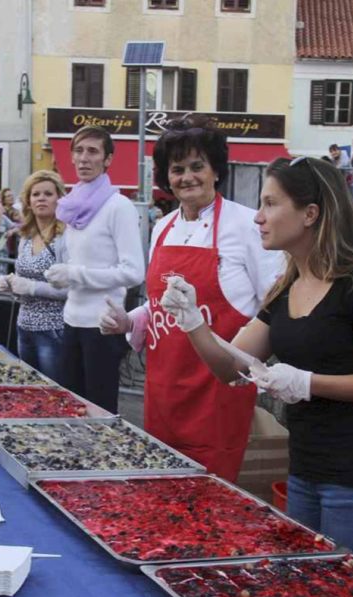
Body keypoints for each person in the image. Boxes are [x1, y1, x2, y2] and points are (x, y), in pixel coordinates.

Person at [159, 156, 353, 561]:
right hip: (304, 473)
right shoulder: (286, 286)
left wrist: (307, 383)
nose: (258, 217)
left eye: (271, 204)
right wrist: (192, 322)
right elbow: (232, 367)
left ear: (310, 214)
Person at [99, 115, 284, 481]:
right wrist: (129, 321)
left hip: (217, 393)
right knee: (163, 492)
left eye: (197, 166)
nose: (187, 177)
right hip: (164, 390)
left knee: (211, 499)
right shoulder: (163, 226)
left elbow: (274, 305)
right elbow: (162, 304)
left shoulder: (246, 225)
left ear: (216, 169)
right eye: (178, 169)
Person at [45, 125, 144, 413]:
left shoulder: (119, 207)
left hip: (102, 326)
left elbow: (133, 271)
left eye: (93, 151)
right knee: (69, 408)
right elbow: (80, 260)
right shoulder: (71, 205)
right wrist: (61, 273)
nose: (84, 158)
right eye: (78, 150)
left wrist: (75, 274)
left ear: (108, 159)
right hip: (71, 319)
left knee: (98, 412)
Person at [0, 170, 69, 383]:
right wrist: (10, 285)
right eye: (36, 194)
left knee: (53, 393)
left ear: (59, 198)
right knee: (29, 390)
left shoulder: (65, 237)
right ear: (28, 200)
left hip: (54, 329)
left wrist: (31, 287)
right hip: (24, 326)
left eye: (48, 194)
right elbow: (21, 282)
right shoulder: (26, 236)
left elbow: (72, 289)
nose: (41, 199)